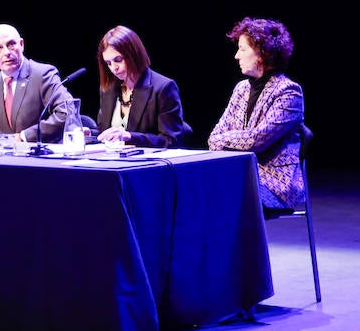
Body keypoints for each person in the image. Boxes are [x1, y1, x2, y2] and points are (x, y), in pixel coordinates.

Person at [208, 17, 305, 212]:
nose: (236, 56)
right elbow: (213, 138)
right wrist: (233, 139)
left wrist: (227, 139)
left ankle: (243, 244)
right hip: (238, 172)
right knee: (195, 190)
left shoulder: (288, 92)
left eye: (242, 49)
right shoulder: (241, 88)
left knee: (222, 196)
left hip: (273, 182)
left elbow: (258, 140)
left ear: (262, 53)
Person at [0, 23, 73, 144]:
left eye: (11, 44)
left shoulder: (43, 74)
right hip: (1, 158)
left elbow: (67, 112)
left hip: (40, 155)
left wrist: (24, 136)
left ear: (21, 44)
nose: (6, 52)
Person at [94, 25, 187, 148]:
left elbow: (171, 140)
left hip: (149, 164)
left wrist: (130, 136)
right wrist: (89, 134)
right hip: (113, 163)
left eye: (118, 59)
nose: (114, 68)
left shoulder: (163, 87)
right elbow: (104, 132)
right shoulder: (108, 89)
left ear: (134, 54)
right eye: (108, 63)